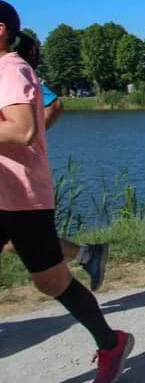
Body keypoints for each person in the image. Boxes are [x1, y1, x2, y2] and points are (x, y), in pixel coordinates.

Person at [0, 1, 133, 383]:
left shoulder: (12, 69)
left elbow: (24, 129)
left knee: (51, 282)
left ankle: (111, 342)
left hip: (22, 197)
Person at [5, 34, 109, 291]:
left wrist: (31, 138)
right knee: (17, 239)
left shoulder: (14, 72)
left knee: (20, 238)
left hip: (18, 173)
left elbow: (54, 105)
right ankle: (85, 257)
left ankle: (81, 265)